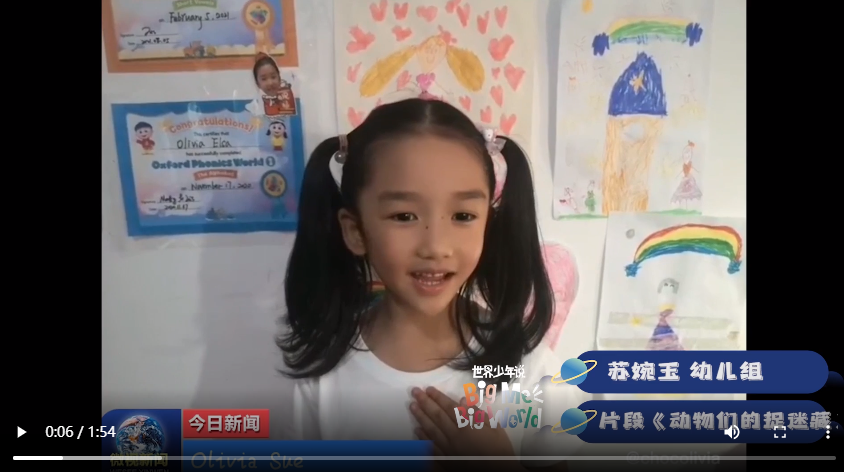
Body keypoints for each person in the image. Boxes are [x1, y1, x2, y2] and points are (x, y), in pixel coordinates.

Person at [278, 99, 585, 469]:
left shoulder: (530, 368)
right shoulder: (323, 375)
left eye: (463, 215)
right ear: (356, 231)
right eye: (404, 216)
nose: (436, 246)